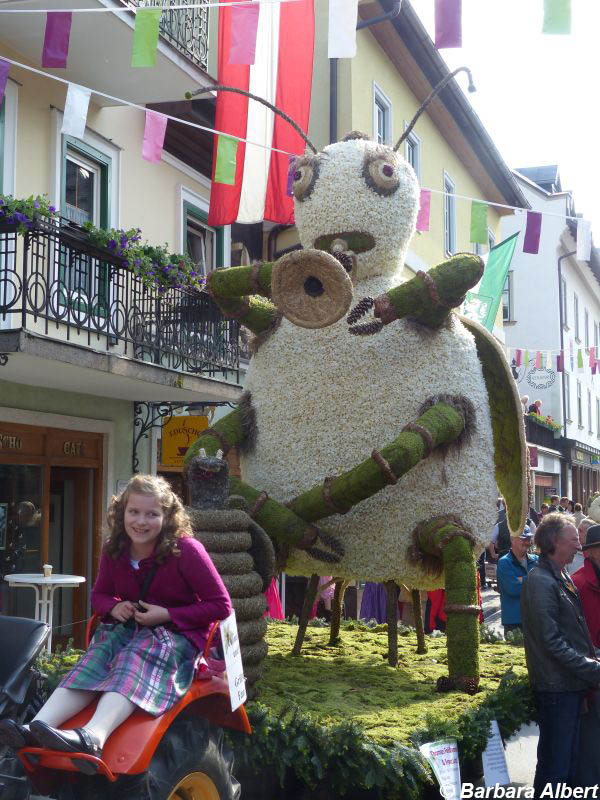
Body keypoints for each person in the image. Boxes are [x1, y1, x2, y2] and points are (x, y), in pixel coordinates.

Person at [0, 474, 232, 757]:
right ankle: (37, 726)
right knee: (94, 659)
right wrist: (113, 607)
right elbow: (99, 596)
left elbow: (221, 605)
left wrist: (167, 614)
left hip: (177, 637)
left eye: (152, 514)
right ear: (122, 513)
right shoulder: (115, 550)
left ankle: (94, 734)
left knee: (134, 658)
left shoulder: (186, 550)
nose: (141, 521)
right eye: (134, 512)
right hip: (129, 630)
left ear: (167, 517)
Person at [521, 512, 600, 796]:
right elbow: (552, 643)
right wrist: (593, 669)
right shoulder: (541, 581)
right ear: (554, 541)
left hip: (569, 687)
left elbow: (575, 637)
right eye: (573, 541)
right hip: (557, 690)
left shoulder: (559, 576)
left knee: (566, 765)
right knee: (555, 768)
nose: (579, 547)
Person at [570, 524, 600, 787]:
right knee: (590, 750)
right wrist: (584, 690)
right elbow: (576, 641)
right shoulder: (577, 584)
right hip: (591, 678)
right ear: (590, 553)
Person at [496, 526, 538, 635]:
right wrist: (534, 580)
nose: (527, 542)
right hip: (514, 620)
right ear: (512, 539)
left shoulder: (536, 560)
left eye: (529, 539)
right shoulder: (504, 562)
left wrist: (521, 579)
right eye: (523, 539)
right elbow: (513, 589)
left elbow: (544, 584)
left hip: (535, 619)